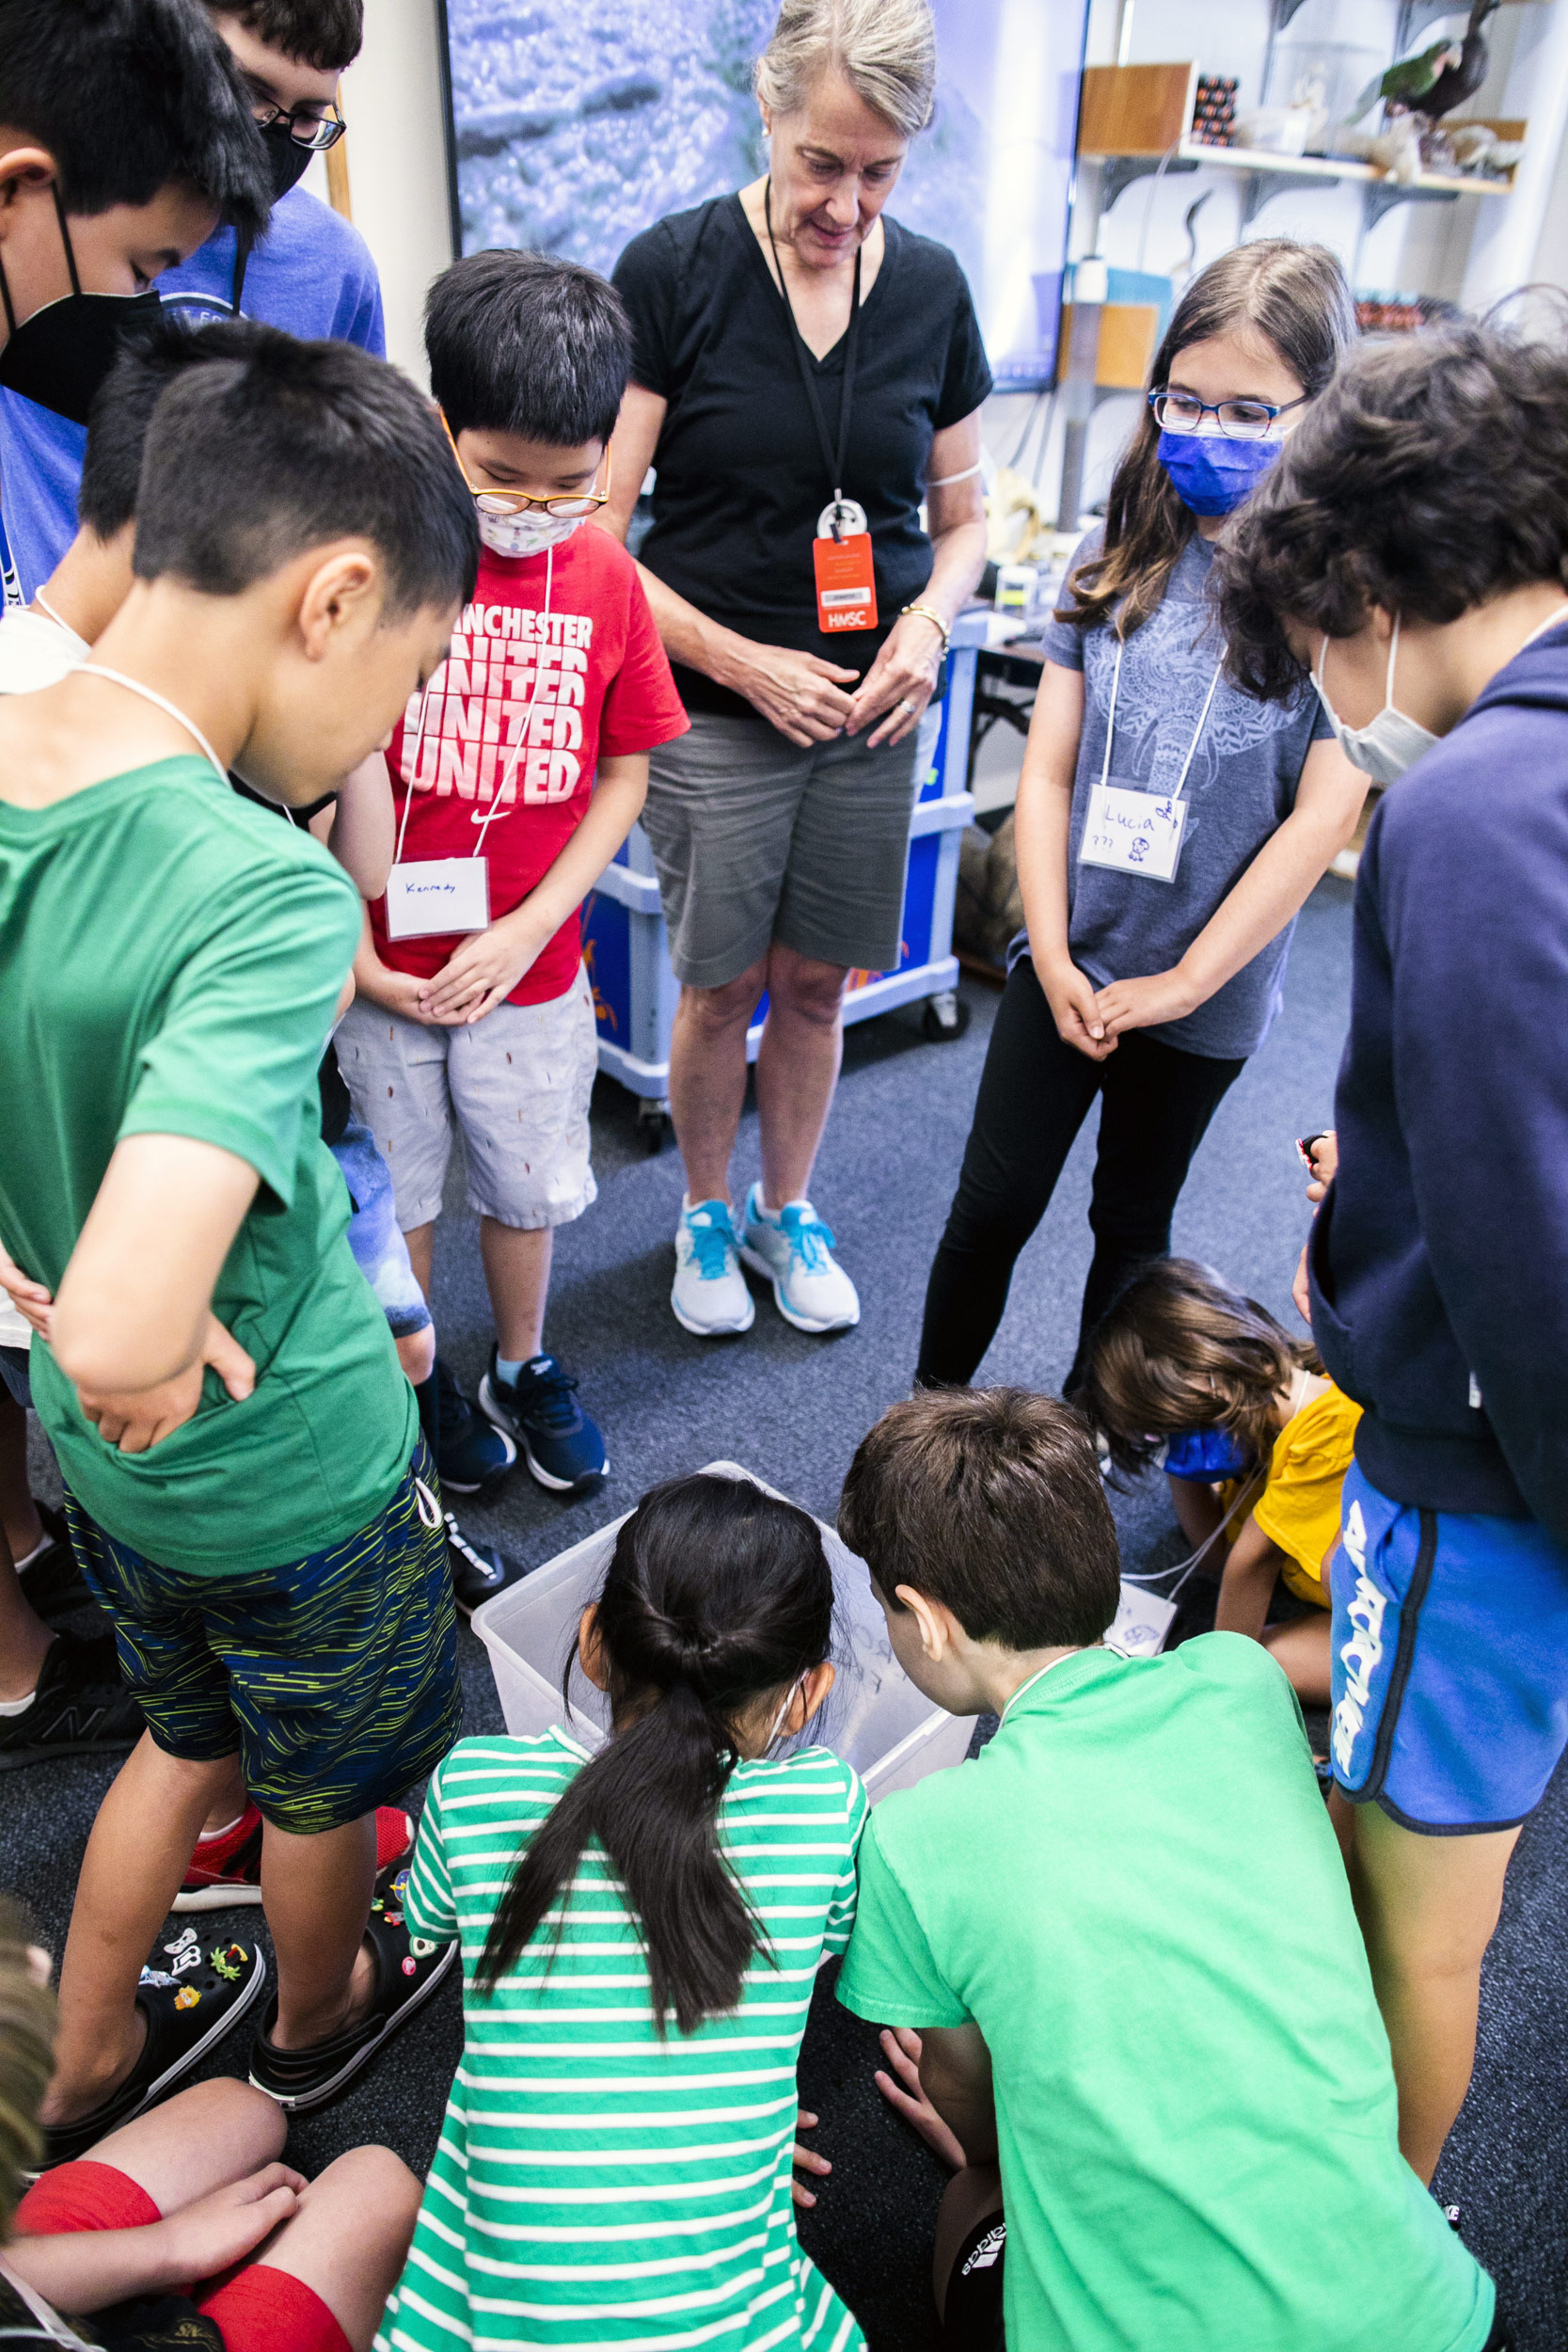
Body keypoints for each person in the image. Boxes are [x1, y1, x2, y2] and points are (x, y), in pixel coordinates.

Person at [0, 330, 477, 2161]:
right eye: (409, 674)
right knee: (315, 1784)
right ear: (333, 596)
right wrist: (132, 1314)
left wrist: (54, 1288)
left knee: (176, 1735)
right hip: (292, 1476)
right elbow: (134, 1316)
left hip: (114, 1492)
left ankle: (93, 2033)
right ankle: (321, 2014)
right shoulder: (256, 883)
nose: (389, 730)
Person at [1212, 320, 1568, 2186]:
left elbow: (1530, 1248)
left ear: (1362, 587)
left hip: (1481, 1478)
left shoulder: (1466, 805)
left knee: (1415, 1911)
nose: (1330, 701)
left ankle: (1355, 2245)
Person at [833, 1387, 1503, 2352]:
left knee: (968, 2199)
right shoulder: (1240, 1681)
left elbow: (969, 2107)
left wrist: (994, 2151)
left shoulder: (913, 1834)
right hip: (1435, 2318)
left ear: (920, 1620)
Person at [915, 240, 1366, 1397]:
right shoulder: (1117, 550)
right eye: (1185, 399)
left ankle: (1079, 1452)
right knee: (993, 1205)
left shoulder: (1346, 595)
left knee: (1131, 1228)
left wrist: (1176, 988)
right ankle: (921, 1426)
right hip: (1067, 950)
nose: (1207, 428)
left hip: (1202, 996)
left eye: (1247, 410)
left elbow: (1320, 818)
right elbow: (1048, 778)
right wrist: (1053, 952)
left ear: (1317, 413)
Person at [606, 0, 990, 1340]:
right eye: (820, 161)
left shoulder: (932, 288)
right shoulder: (672, 270)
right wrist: (739, 662)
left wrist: (930, 624)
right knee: (719, 984)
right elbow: (596, 535)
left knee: (820, 979)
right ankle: (703, 1211)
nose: (844, 201)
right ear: (765, 112)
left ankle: (785, 1207)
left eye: (877, 171)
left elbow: (965, 523)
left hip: (872, 714)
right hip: (715, 708)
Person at [340, 250, 688, 1498]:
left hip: (531, 965)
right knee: (406, 1177)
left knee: (529, 1178)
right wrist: (360, 955)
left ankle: (524, 1364)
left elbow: (625, 779)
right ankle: (421, 1376)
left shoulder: (602, 578)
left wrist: (530, 926)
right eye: (499, 477)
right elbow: (330, 761)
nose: (534, 507)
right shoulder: (382, 559)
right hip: (383, 966)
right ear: (441, 430)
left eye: (569, 484)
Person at [373, 1470, 866, 2352]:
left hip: (488, 2324)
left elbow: (424, 1923)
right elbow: (826, 1940)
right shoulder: (827, 1808)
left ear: (592, 1642)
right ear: (810, 1691)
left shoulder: (477, 1784)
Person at [0, 0, 380, 605]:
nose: (271, 133)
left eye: (308, 115)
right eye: (249, 91)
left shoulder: (335, 266)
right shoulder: (73, 215)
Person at [0, 1899, 421, 2352]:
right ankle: (325, 2011)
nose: (41, 1961)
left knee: (242, 2110)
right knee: (378, 2188)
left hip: (27, 2287)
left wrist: (169, 2248)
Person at [1080, 1256, 1358, 1705]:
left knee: (1245, 1664)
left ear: (1209, 1379)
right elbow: (1214, 1552)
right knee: (1243, 1653)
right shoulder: (1255, 1435)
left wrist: (1212, 1695)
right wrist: (1175, 1459)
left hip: (1419, 1625)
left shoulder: (1328, 1425)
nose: (1168, 1450)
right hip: (1344, 1608)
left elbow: (1248, 1564)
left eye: (1161, 1433)